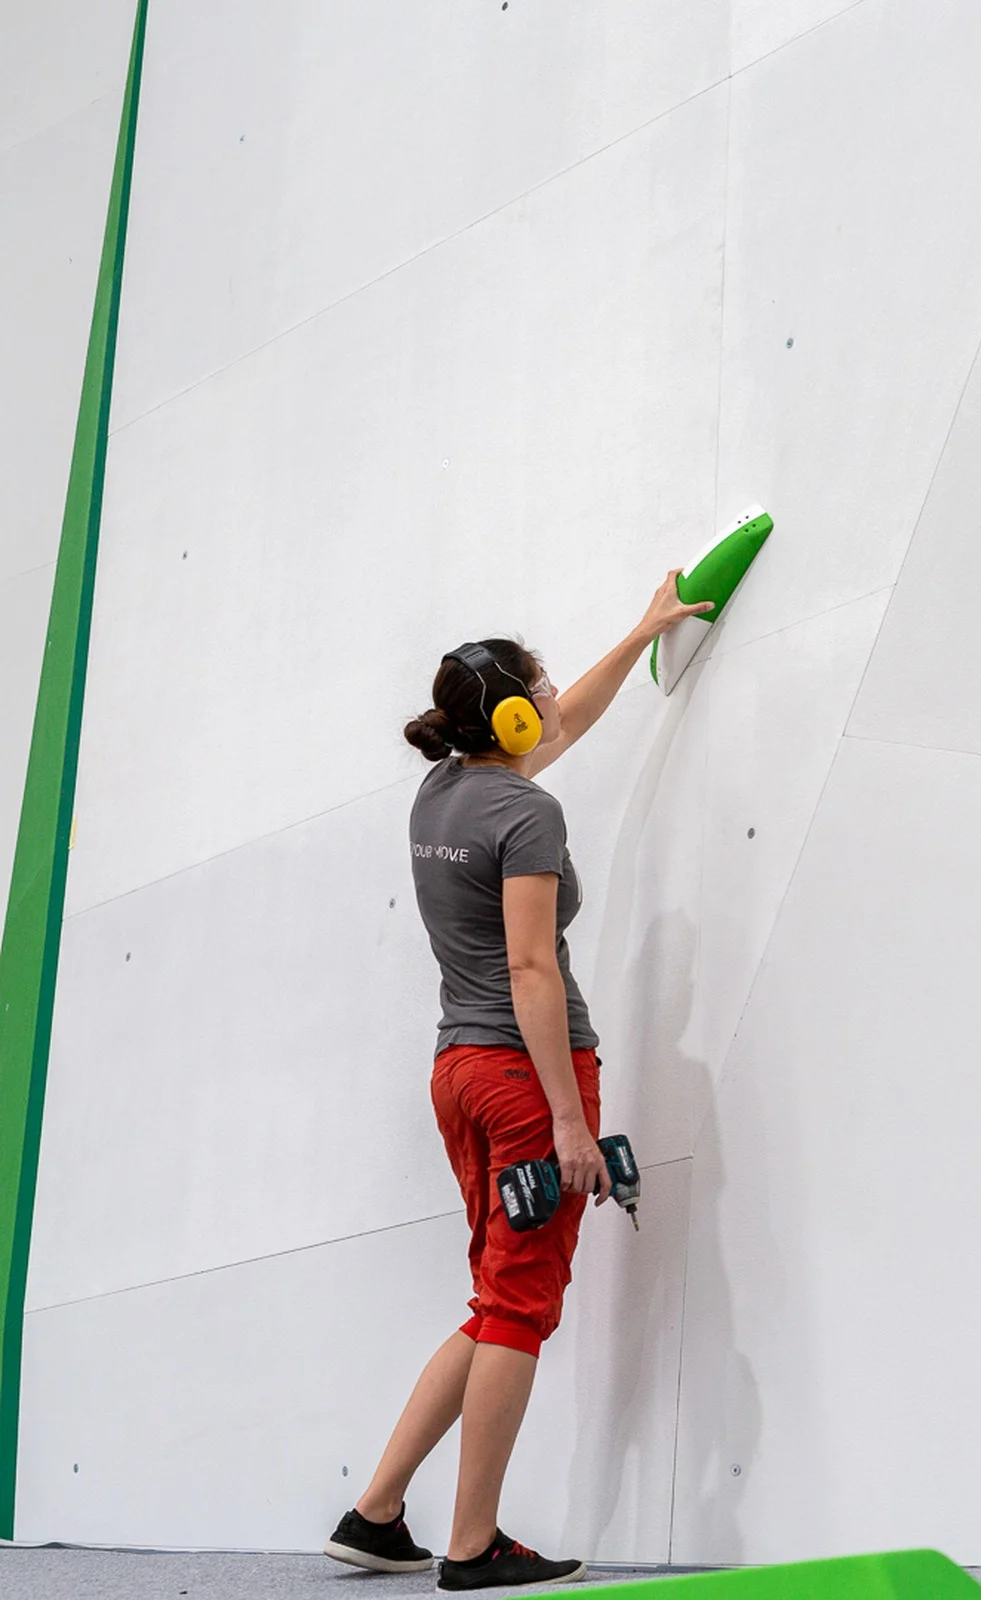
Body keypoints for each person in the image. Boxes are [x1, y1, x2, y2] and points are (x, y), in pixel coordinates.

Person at [323, 574, 708, 1590]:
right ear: (511, 714)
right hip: (528, 1076)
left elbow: (565, 720)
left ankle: (375, 1513)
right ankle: (473, 1542)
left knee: (497, 1296)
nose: (549, 697)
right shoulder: (524, 811)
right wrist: (574, 1126)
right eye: (536, 685)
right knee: (522, 1304)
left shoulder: (444, 792)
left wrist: (644, 631)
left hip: (459, 1070)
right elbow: (534, 969)